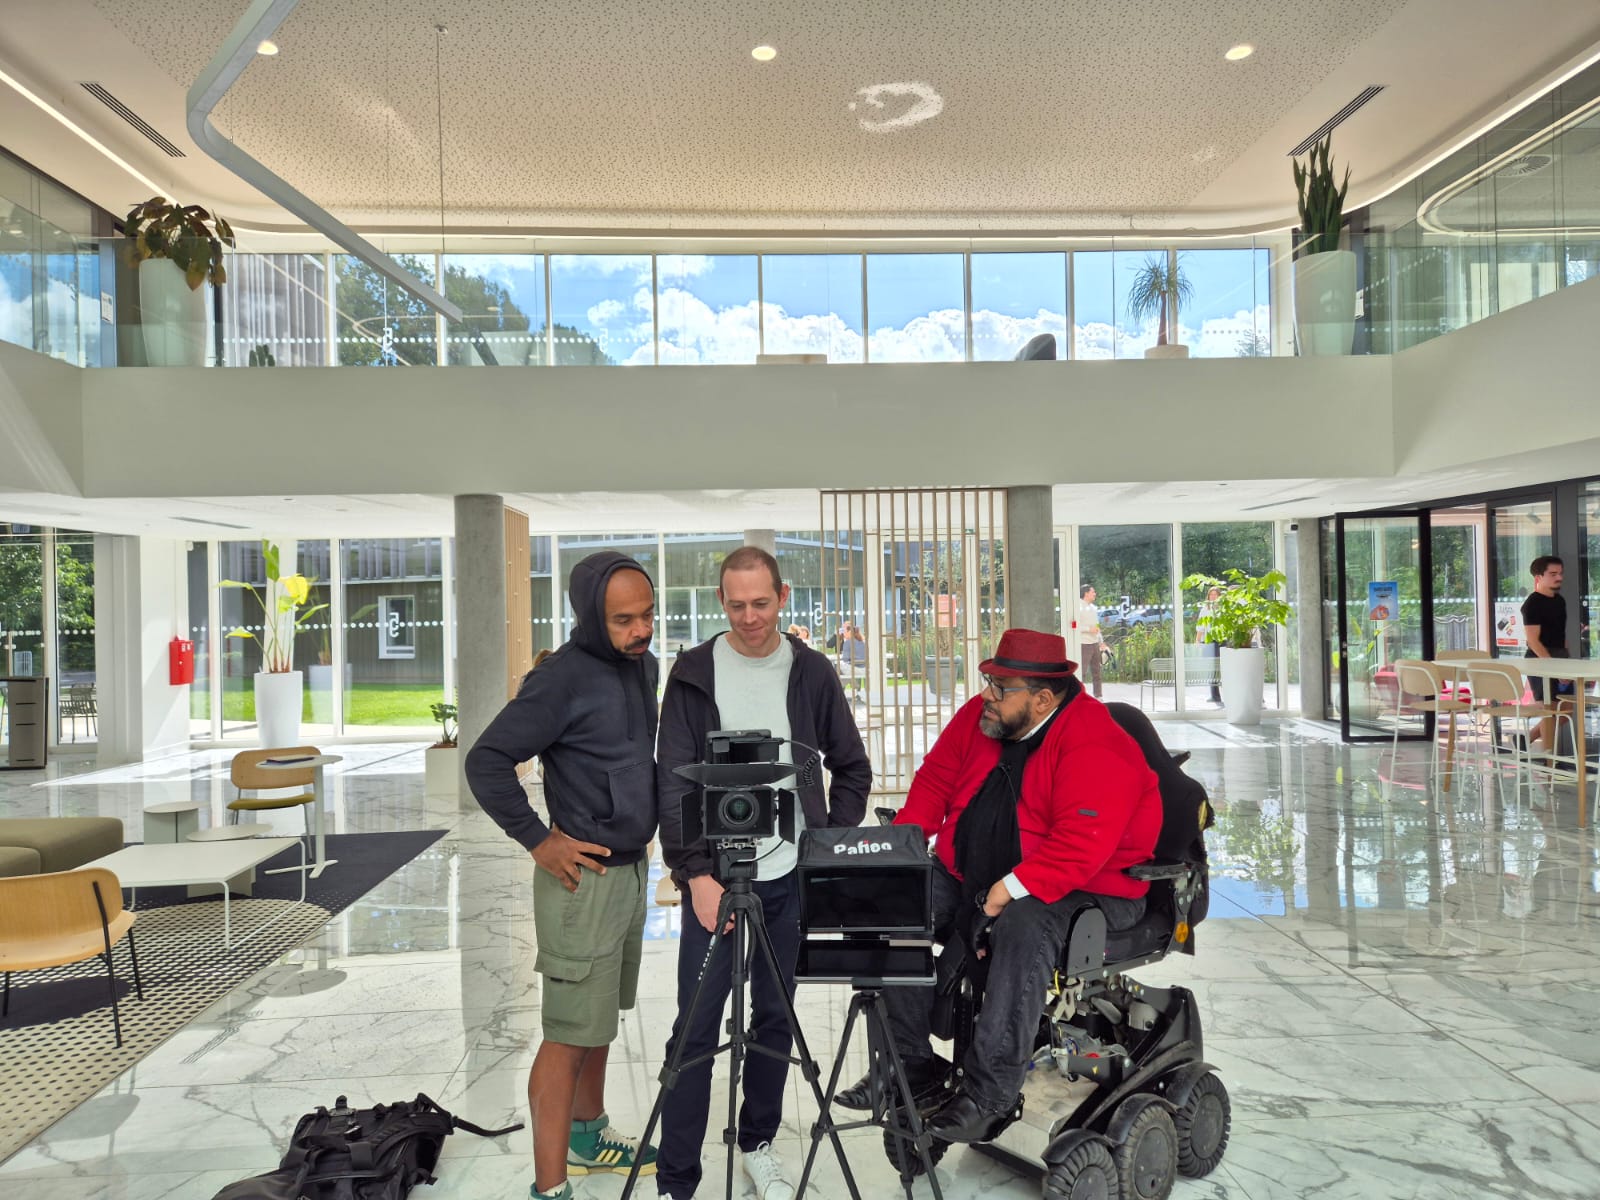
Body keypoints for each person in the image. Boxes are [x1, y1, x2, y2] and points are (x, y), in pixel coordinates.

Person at [835, 627, 1162, 1144]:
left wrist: (1003, 892)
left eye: (1000, 688)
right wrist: (901, 851)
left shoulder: (1095, 740)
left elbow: (1082, 843)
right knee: (889, 903)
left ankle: (991, 1095)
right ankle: (910, 1067)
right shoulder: (983, 717)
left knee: (1024, 924)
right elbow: (936, 781)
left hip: (1093, 885)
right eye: (989, 681)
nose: (986, 695)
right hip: (978, 871)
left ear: (1042, 699)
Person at [655, 546, 872, 1200]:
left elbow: (850, 766)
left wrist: (824, 846)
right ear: (721, 602)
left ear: (782, 597)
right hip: (714, 882)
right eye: (736, 605)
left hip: (788, 880)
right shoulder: (694, 673)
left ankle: (757, 1145)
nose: (749, 618)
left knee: (775, 1020)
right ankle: (676, 1180)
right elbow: (673, 782)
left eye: (760, 603)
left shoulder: (811, 671)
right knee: (695, 1029)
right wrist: (695, 874)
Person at [465, 551, 660, 1200]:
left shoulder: (642, 665)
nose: (641, 630)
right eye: (624, 620)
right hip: (582, 887)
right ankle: (550, 1188)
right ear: (591, 617)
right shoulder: (561, 680)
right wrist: (538, 840)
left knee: (599, 1021)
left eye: (647, 615)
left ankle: (589, 1134)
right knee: (568, 1036)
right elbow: (486, 761)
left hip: (630, 871)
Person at [1522, 555, 1573, 757]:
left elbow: (1561, 635)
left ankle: (1525, 739)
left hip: (1559, 658)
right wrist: (1552, 667)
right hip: (1539, 660)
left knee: (1566, 711)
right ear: (1538, 577)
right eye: (1553, 574)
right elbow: (1533, 641)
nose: (1559, 578)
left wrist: (1566, 662)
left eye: (1560, 573)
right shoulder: (1532, 604)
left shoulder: (1559, 601)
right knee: (1550, 710)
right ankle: (1548, 761)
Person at [1197, 586, 1223, 705]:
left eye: (1215, 594)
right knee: (1211, 668)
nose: (1213, 597)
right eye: (1211, 594)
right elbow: (1200, 627)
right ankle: (1215, 695)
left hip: (1221, 640)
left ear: (1219, 596)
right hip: (1208, 641)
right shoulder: (1204, 609)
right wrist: (1198, 640)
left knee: (1220, 667)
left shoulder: (1223, 609)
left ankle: (1226, 694)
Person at [1077, 584, 1103, 699]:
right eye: (1093, 592)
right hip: (1084, 644)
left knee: (1097, 672)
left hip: (1094, 643)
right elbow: (1074, 626)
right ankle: (1079, 696)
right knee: (1081, 672)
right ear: (1086, 593)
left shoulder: (1093, 608)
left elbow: (1097, 626)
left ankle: (1098, 696)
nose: (1095, 594)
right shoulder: (1077, 606)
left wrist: (1101, 641)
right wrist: (1088, 629)